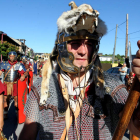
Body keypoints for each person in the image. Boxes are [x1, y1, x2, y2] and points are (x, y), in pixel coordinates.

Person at [19, 2, 140, 140]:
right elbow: (26, 136)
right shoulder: (43, 88)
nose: (83, 51)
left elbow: (137, 127)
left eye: (89, 44)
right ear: (62, 46)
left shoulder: (111, 87)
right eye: (75, 43)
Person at [0, 51, 27, 119]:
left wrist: (23, 76)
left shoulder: (19, 64)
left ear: (15, 57)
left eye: (13, 56)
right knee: (5, 99)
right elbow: (0, 72)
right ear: (9, 56)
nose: (11, 57)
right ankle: (5, 113)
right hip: (6, 84)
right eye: (10, 56)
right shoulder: (4, 64)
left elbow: (25, 72)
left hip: (15, 84)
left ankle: (16, 113)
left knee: (16, 100)